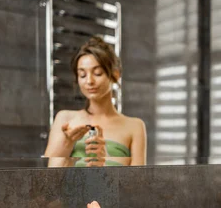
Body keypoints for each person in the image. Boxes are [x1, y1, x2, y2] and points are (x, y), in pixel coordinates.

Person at [44, 36, 146, 167]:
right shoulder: (65, 119)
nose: (89, 81)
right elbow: (48, 180)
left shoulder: (134, 126)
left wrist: (103, 168)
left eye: (97, 73)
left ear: (115, 75)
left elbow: (138, 184)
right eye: (82, 75)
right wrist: (67, 143)